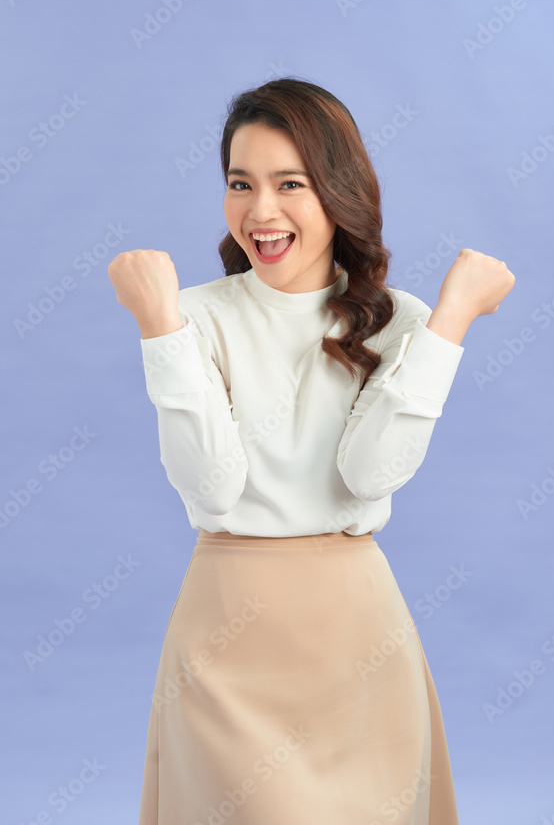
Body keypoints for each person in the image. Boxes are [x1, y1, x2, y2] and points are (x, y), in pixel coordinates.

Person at [108, 77, 515, 825]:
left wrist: (451, 320)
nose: (259, 211)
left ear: (337, 191)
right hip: (227, 632)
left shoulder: (399, 323)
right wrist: (159, 328)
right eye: (240, 184)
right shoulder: (190, 316)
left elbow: (369, 473)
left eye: (288, 183)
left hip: (357, 638)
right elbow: (213, 486)